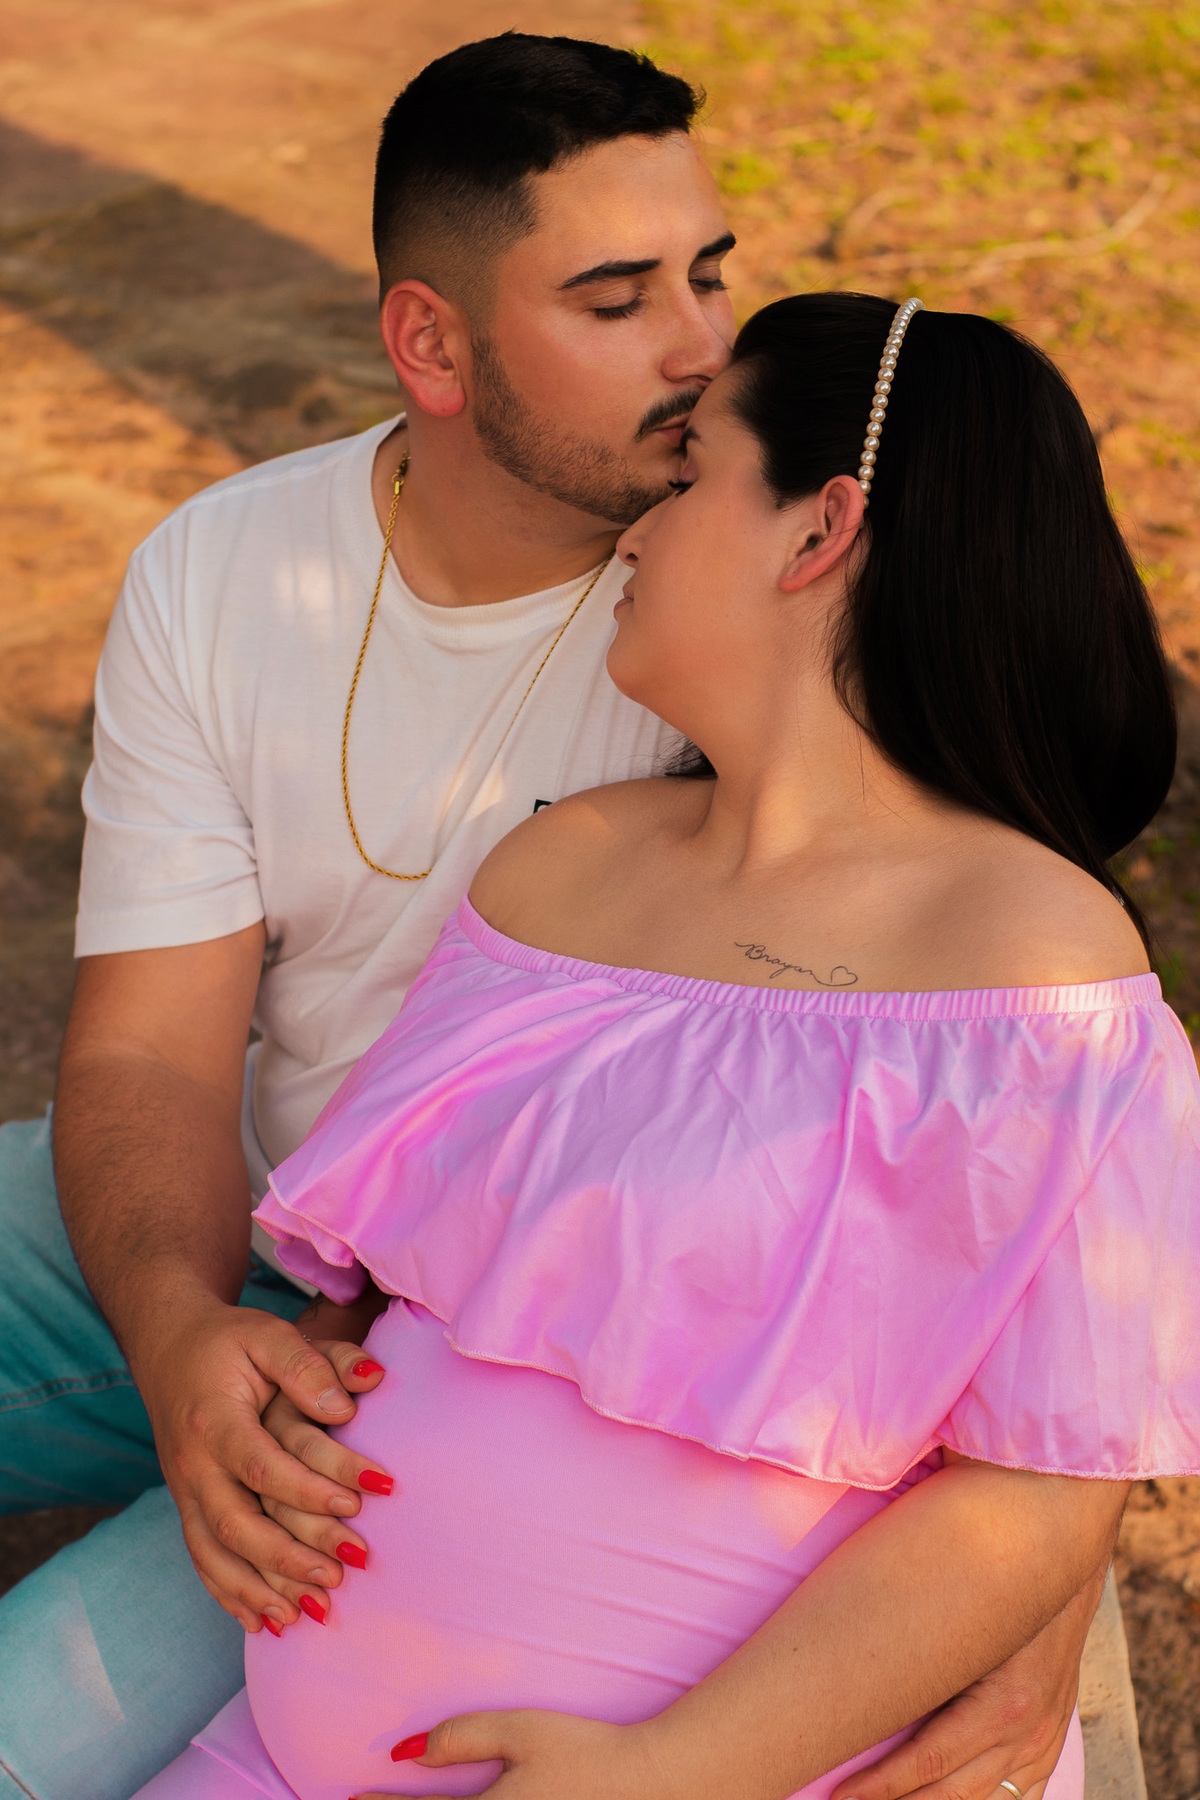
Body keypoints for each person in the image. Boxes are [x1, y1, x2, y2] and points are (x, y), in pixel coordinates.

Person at [0, 36, 1124, 1800]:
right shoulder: (226, 573)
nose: (700, 349)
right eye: (615, 299)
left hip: (489, 1358)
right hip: (263, 1215)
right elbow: (148, 1050)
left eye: (709, 273)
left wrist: (1055, 1561)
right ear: (433, 345)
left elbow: (1017, 1114)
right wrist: (176, 1335)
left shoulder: (751, 607)